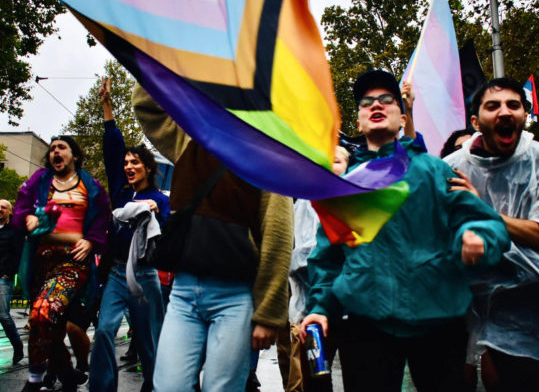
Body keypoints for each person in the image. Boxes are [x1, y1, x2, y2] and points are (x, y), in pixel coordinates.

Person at [301, 69, 510, 392]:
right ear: (358, 122)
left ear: (402, 117)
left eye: (387, 99)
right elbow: (328, 260)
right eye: (366, 102)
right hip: (367, 326)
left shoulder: (436, 171)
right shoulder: (345, 187)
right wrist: (319, 309)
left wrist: (478, 238)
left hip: (439, 324)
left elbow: (487, 223)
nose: (376, 105)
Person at [132, 83, 294, 392]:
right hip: (182, 294)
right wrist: (175, 58)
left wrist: (269, 314)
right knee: (168, 387)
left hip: (235, 298)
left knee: (221, 388)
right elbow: (146, 105)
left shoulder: (268, 155)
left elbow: (278, 235)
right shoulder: (188, 140)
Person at [446, 77, 539, 391]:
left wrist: (480, 209)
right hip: (494, 317)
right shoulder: (453, 169)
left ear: (525, 115)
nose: (505, 112)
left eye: (514, 105)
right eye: (493, 105)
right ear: (475, 121)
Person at [89, 77, 170, 392]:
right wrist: (107, 106)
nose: (128, 166)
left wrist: (153, 210)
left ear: (147, 168)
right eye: (126, 163)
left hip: (146, 277)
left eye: (134, 162)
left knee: (149, 340)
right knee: (106, 330)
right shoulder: (121, 191)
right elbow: (112, 148)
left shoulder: (160, 199)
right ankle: (103, 386)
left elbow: (162, 235)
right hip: (117, 273)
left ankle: (153, 385)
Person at [12, 136, 110, 392]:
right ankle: (67, 373)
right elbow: (21, 208)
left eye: (61, 147)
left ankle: (34, 380)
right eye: (52, 148)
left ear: (74, 155)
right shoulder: (39, 181)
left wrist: (91, 242)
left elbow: (102, 219)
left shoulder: (90, 184)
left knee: (42, 312)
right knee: (47, 324)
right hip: (41, 262)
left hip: (72, 264)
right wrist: (28, 218)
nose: (55, 151)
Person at [287, 146, 350, 392]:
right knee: (316, 376)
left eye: (336, 161)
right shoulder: (306, 200)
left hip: (353, 310)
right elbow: (301, 253)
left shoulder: (358, 199)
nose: (330, 166)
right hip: (313, 306)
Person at [0, 198, 24, 365]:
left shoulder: (14, 231)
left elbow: (19, 255)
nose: (0, 209)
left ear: (9, 211)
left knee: (2, 315)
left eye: (3, 207)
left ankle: (18, 345)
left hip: (3, 278)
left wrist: (9, 273)